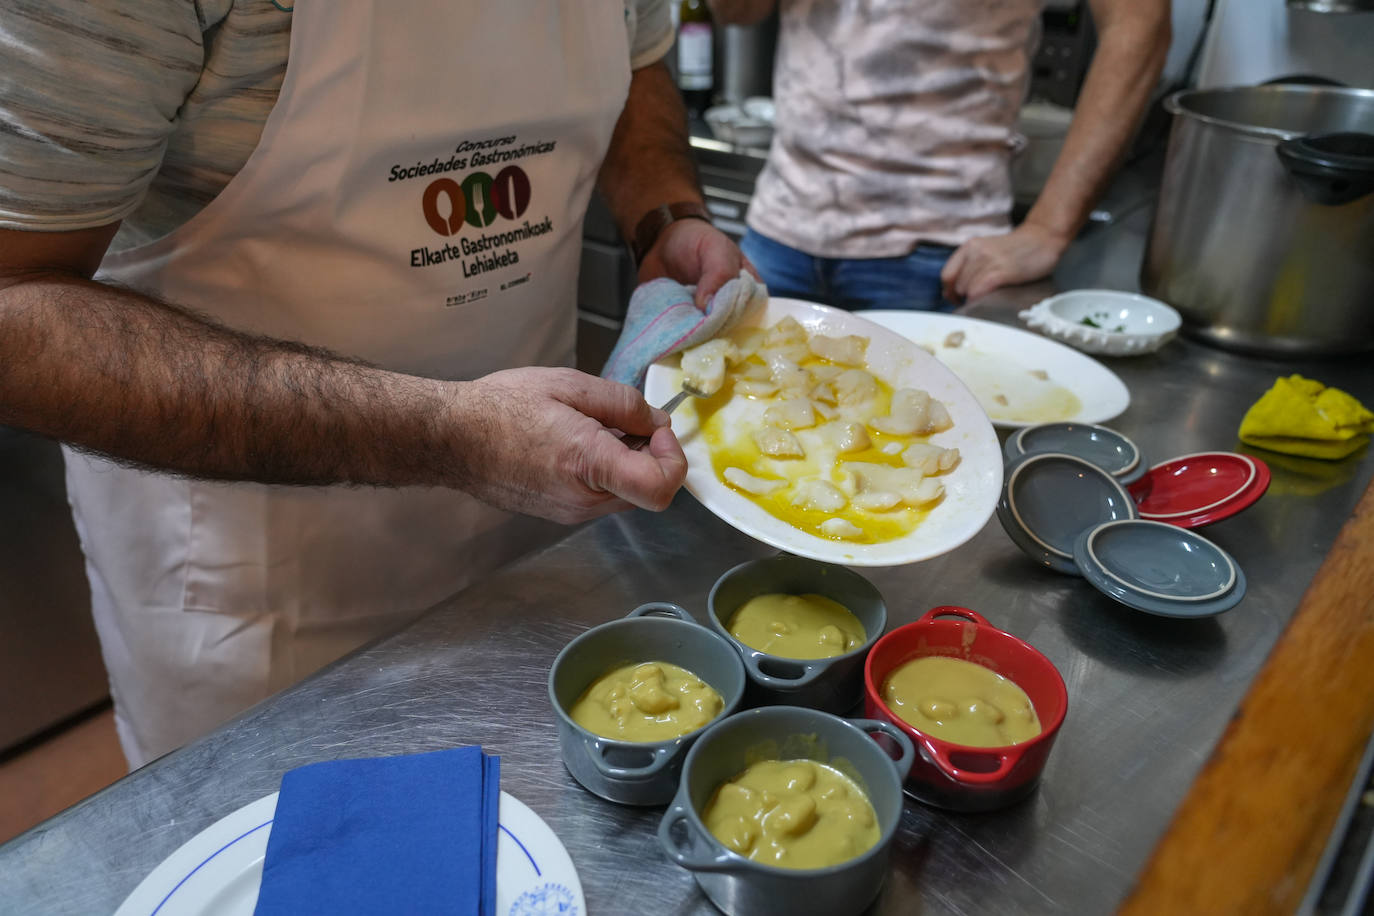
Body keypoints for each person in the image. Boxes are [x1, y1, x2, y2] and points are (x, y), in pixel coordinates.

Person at [0, 1, 748, 768]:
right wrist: (453, 434)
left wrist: (663, 213)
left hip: (532, 546)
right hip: (265, 604)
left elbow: (639, 54)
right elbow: (14, 306)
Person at [708, 0, 1170, 310]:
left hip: (938, 257)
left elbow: (1140, 19)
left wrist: (1048, 228)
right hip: (777, 230)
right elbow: (737, 10)